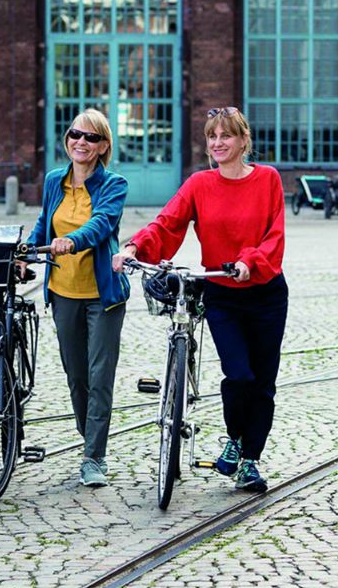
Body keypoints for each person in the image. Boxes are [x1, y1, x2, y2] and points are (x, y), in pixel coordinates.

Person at [112, 106, 286, 494]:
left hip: (266, 291)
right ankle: (235, 439)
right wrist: (135, 247)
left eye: (226, 136)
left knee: (263, 381)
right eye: (212, 137)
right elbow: (168, 223)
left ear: (243, 140)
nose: (218, 143)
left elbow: (274, 236)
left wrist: (248, 261)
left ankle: (249, 460)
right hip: (222, 292)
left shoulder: (269, 180)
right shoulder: (199, 185)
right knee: (238, 374)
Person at [22, 108, 129, 488]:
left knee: (100, 376)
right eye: (75, 134)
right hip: (63, 293)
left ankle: (93, 457)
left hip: (103, 295)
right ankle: (91, 439)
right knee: (77, 375)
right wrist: (27, 252)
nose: (81, 142)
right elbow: (43, 222)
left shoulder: (113, 184)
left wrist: (72, 240)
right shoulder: (55, 180)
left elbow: (102, 224)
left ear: (103, 147)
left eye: (91, 137)